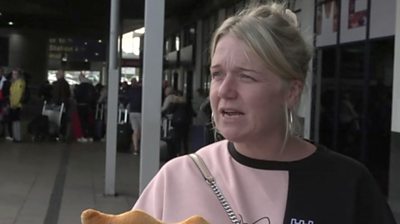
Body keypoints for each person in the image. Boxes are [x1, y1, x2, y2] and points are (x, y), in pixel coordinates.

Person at [133, 2, 396, 224]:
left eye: (246, 77)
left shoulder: (347, 186)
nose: (225, 90)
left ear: (291, 91)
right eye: (217, 74)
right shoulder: (178, 178)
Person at [7, 69, 25, 142]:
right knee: (13, 120)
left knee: (16, 121)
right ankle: (15, 136)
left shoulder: (20, 83)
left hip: (16, 105)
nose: (13, 75)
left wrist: (15, 104)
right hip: (12, 104)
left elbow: (18, 95)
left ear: (18, 75)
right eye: (13, 74)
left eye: (15, 74)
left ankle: (17, 138)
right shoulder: (14, 82)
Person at [127, 78, 142, 155]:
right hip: (141, 112)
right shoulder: (141, 91)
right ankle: (140, 146)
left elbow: (127, 100)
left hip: (132, 112)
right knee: (141, 131)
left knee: (135, 131)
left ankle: (136, 148)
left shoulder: (130, 91)